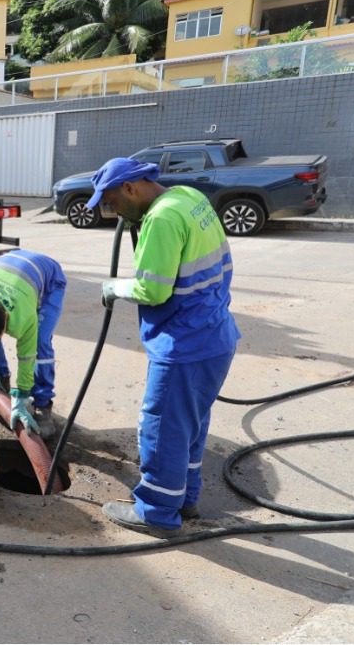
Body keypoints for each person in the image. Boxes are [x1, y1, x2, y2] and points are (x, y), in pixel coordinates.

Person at [89, 157, 240, 537]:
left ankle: (156, 511)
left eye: (110, 202)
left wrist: (115, 287)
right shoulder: (188, 197)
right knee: (190, 423)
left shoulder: (160, 220)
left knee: (162, 427)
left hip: (184, 344)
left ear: (130, 189)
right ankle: (185, 497)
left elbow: (153, 290)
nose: (112, 212)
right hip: (215, 335)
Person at [0, 249, 67, 441]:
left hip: (50, 279)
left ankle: (43, 405)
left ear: (7, 320)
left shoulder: (23, 315)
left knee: (40, 343)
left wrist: (21, 394)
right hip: (9, 267)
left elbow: (27, 356)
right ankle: (0, 381)